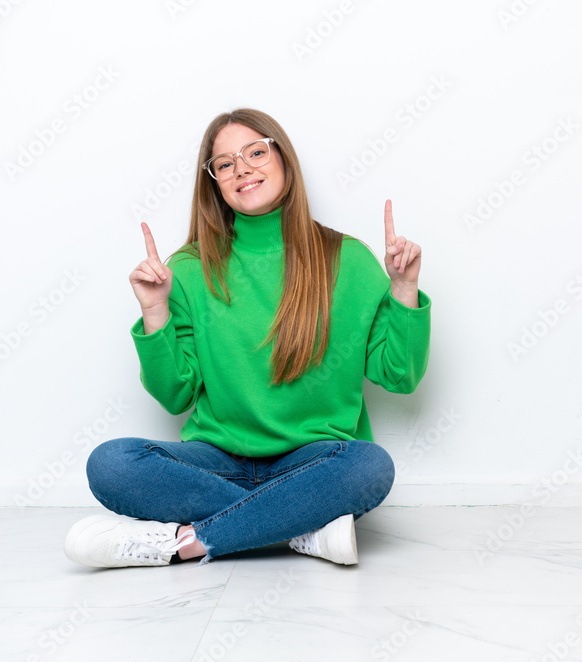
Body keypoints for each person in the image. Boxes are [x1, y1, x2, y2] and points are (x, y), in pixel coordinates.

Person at [64, 108, 431, 568]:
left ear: (284, 160)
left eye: (256, 152)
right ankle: (301, 526)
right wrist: (155, 310)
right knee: (111, 463)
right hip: (217, 458)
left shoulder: (348, 259)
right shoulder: (188, 269)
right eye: (224, 163)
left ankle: (186, 543)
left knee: (370, 467)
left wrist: (403, 289)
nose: (242, 168)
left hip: (314, 461)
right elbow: (175, 396)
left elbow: (400, 375)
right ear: (214, 181)